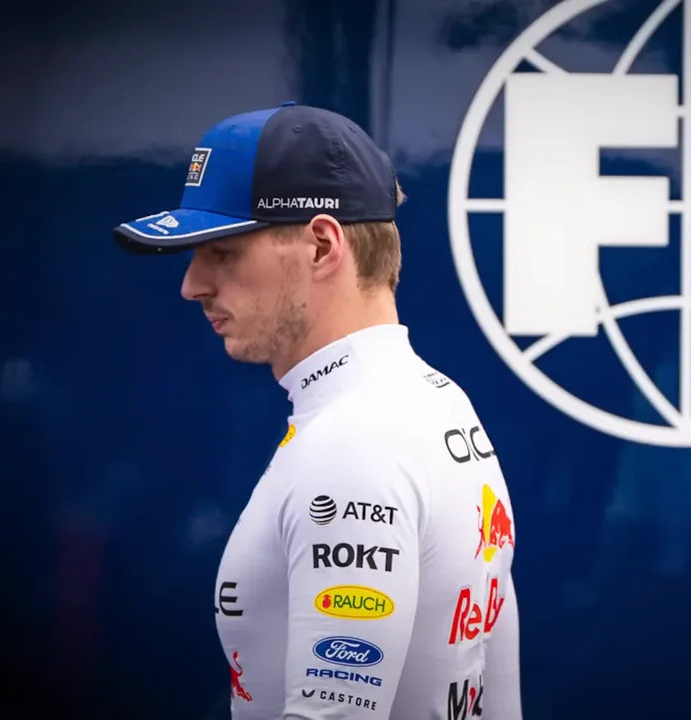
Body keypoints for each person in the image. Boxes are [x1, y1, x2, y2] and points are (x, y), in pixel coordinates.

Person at [112, 102, 521, 719]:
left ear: (323, 246)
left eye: (222, 251)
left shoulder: (353, 444)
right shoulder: (437, 401)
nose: (191, 284)